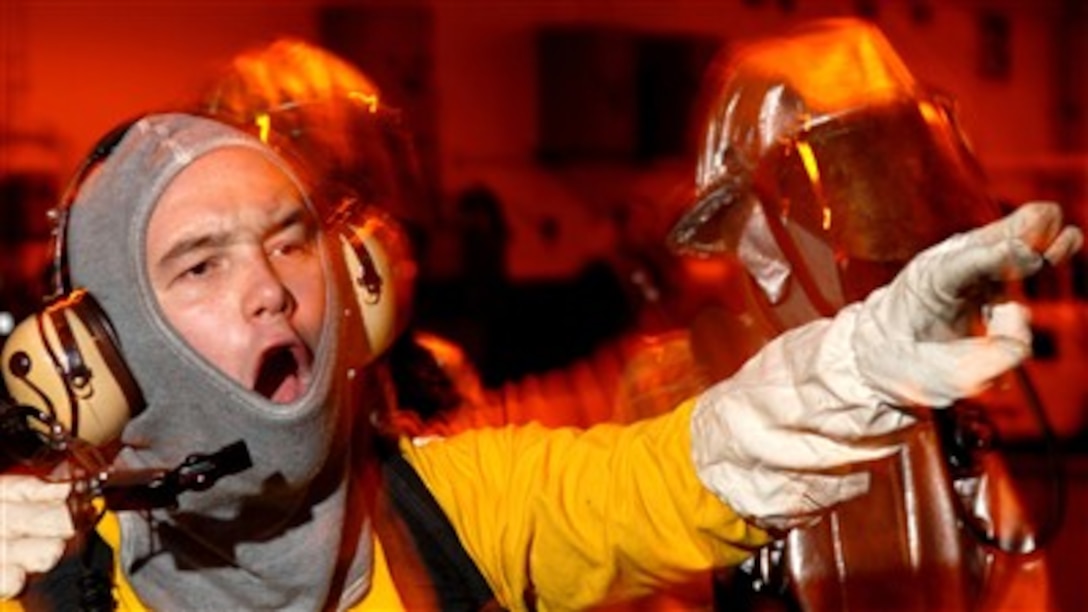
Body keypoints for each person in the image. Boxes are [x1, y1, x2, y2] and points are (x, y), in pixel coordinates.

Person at [0, 51, 1082, 612]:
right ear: (94, 358)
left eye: (291, 242)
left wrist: (867, 357)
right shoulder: (35, 581)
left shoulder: (450, 511)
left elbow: (691, 469)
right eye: (200, 264)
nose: (272, 292)